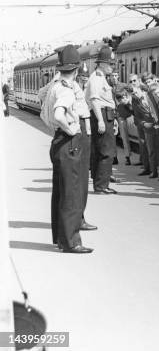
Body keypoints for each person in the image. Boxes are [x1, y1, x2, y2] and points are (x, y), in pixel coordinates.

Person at [43, 45, 93, 253]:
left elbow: (46, 116)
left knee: (61, 192)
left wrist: (59, 130)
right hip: (70, 142)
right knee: (72, 193)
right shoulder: (66, 89)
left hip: (59, 142)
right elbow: (58, 115)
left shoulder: (53, 86)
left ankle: (61, 239)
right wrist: (70, 130)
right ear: (77, 68)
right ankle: (72, 242)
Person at [85, 45, 118, 194]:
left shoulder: (101, 77)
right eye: (110, 64)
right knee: (106, 151)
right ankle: (101, 186)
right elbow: (95, 100)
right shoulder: (96, 78)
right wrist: (100, 120)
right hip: (102, 114)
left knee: (103, 150)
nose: (112, 67)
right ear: (103, 64)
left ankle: (101, 184)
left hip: (107, 114)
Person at [131, 78, 159, 178]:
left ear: (142, 90)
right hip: (148, 127)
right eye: (133, 92)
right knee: (150, 149)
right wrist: (144, 123)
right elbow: (136, 117)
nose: (134, 94)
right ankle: (152, 171)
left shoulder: (151, 96)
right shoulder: (135, 101)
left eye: (136, 92)